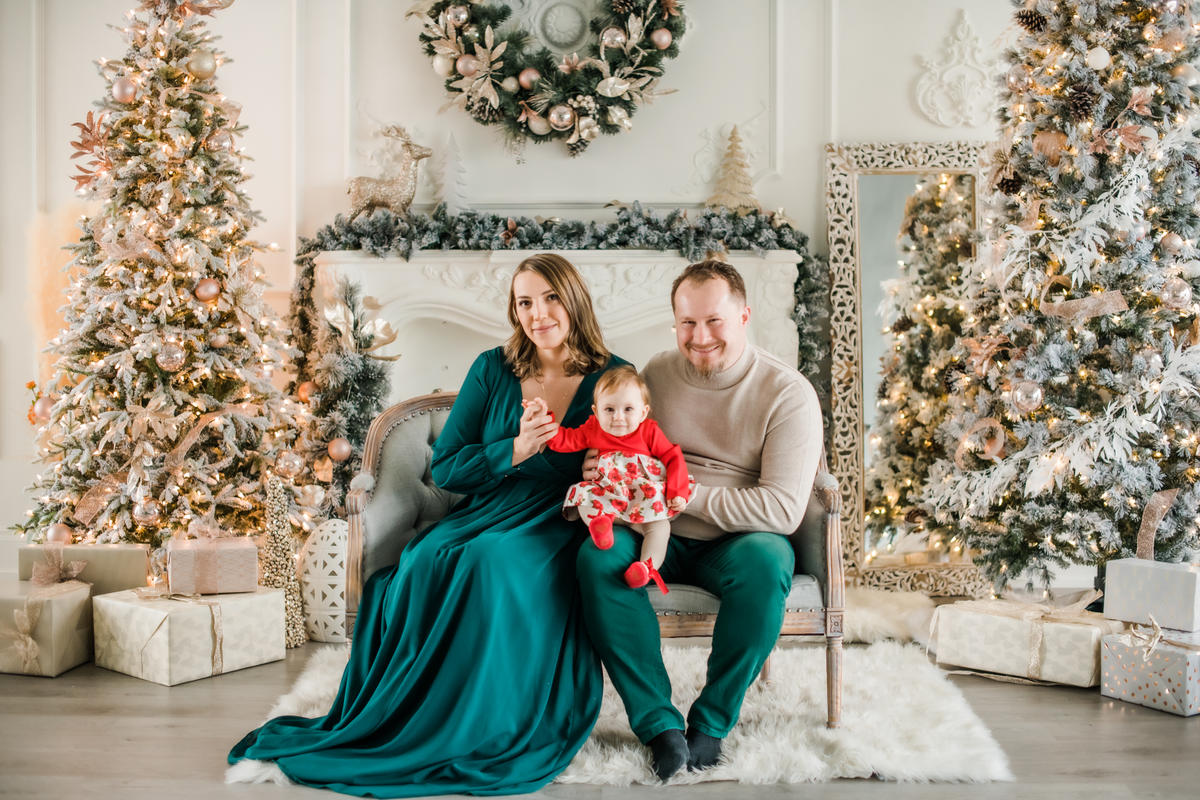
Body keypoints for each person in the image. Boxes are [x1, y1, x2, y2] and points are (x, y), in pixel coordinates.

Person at [228, 253, 629, 797]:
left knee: (490, 564)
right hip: (488, 506)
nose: (538, 314)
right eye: (525, 302)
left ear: (574, 298)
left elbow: (636, 447)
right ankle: (412, 711)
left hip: (559, 517)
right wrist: (513, 449)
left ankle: (483, 719)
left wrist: (603, 466)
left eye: (551, 297)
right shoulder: (494, 368)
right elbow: (448, 468)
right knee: (422, 559)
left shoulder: (613, 374)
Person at [575, 259, 823, 780]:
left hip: (735, 541)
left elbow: (781, 509)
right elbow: (624, 437)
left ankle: (711, 722)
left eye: (715, 321)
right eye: (687, 322)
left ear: (744, 317)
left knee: (768, 561)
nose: (701, 336)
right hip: (648, 528)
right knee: (596, 558)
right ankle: (658, 726)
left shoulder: (787, 393)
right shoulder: (657, 374)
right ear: (674, 323)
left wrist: (680, 495)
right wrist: (598, 461)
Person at [532, 364, 693, 593]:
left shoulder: (648, 431)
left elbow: (672, 456)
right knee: (584, 497)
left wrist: (677, 491)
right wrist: (544, 421)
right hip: (608, 498)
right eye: (609, 409)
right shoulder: (593, 428)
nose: (618, 417)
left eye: (628, 409)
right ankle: (601, 526)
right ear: (596, 412)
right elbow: (564, 441)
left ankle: (646, 567)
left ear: (643, 412)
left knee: (660, 528)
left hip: (641, 499)